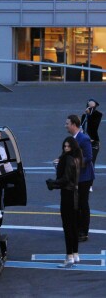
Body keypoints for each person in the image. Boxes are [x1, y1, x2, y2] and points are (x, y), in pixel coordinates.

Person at [46, 136, 82, 268]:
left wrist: (52, 183)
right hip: (75, 196)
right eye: (65, 146)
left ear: (72, 147)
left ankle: (69, 256)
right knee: (73, 227)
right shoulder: (77, 160)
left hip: (67, 196)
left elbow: (65, 179)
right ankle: (75, 254)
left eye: (68, 146)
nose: (66, 148)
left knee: (67, 227)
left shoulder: (67, 159)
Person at [65, 114, 95, 242]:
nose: (65, 126)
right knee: (76, 204)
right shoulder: (73, 139)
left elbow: (88, 157)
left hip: (84, 177)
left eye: (67, 123)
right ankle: (77, 229)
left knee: (83, 203)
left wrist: (73, 163)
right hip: (76, 177)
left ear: (73, 124)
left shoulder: (84, 139)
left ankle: (83, 232)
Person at [81, 99, 103, 192]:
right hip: (84, 142)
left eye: (91, 106)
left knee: (91, 162)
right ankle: (81, 181)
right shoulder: (84, 116)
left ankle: (90, 184)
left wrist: (89, 115)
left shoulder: (98, 115)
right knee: (82, 162)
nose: (89, 107)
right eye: (88, 105)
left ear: (95, 106)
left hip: (94, 142)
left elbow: (94, 127)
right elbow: (81, 127)